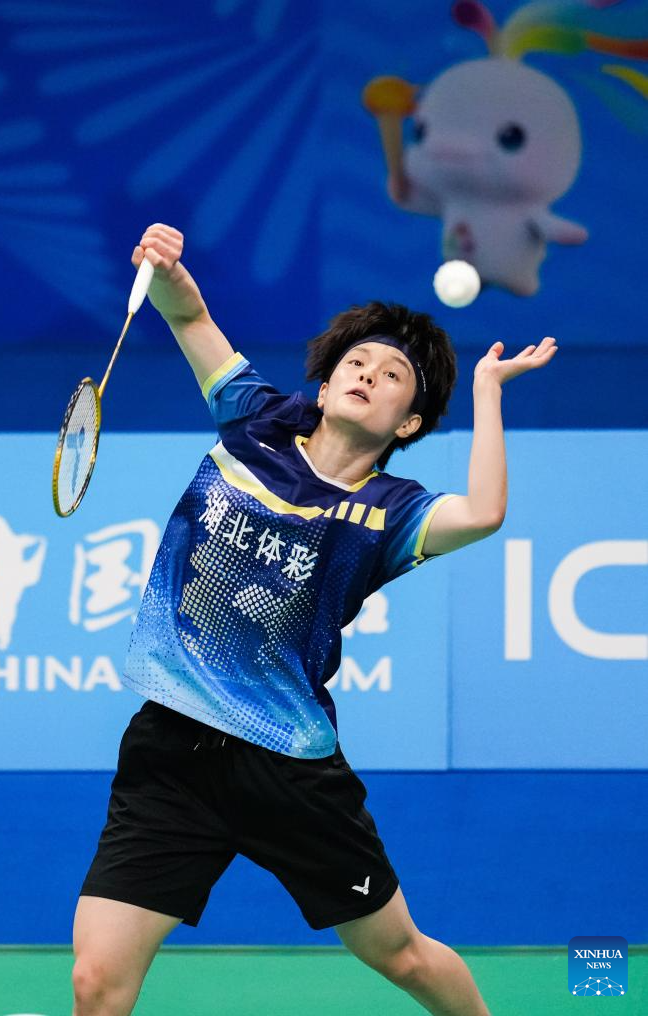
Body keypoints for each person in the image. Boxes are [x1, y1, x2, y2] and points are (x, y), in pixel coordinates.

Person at [71, 223, 557, 1016]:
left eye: (392, 375)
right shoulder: (254, 422)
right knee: (95, 983)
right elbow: (191, 318)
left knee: (400, 955)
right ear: (324, 388)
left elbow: (482, 513)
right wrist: (164, 267)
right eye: (355, 364)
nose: (367, 374)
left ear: (407, 423)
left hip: (289, 767)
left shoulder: (391, 511)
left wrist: (487, 390)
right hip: (172, 750)